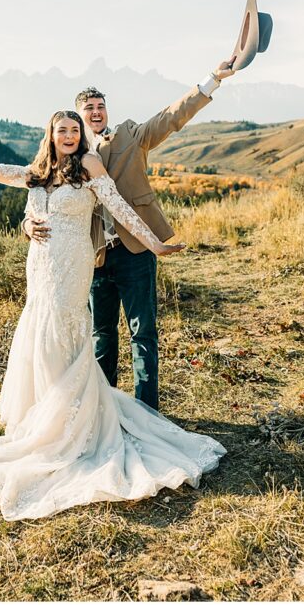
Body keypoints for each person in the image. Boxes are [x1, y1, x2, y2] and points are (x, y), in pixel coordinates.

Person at [0, 104, 225, 521]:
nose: (69, 136)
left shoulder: (89, 166)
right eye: (62, 130)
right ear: (51, 134)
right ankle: (44, 418)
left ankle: (70, 425)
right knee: (40, 332)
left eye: (74, 130)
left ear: (81, 135)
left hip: (73, 264)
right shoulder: (38, 171)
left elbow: (119, 208)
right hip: (40, 266)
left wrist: (154, 243)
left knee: (66, 332)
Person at [23, 60, 235, 410]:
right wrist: (26, 225)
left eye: (100, 106)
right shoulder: (66, 157)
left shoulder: (130, 135)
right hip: (89, 257)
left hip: (135, 250)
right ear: (76, 119)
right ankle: (102, 411)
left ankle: (147, 411)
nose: (96, 112)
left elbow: (172, 116)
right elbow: (40, 198)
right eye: (88, 108)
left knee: (143, 334)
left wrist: (212, 80)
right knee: (101, 336)